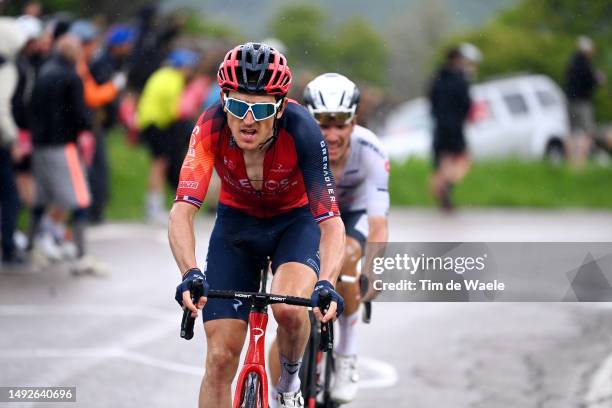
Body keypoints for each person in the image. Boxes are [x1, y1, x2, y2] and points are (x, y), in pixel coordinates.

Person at [168, 42, 346, 408]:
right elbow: (182, 211)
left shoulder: (304, 132)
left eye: (261, 108)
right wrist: (189, 272)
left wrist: (327, 281)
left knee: (290, 311)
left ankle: (289, 384)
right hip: (236, 226)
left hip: (294, 223)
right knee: (219, 358)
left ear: (280, 107)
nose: (248, 120)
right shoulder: (209, 127)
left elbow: (331, 224)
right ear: (222, 100)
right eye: (237, 105)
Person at [267, 73, 390, 404]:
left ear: (354, 120)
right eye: (323, 123)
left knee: (349, 259)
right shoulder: (293, 145)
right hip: (309, 217)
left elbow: (378, 224)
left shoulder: (370, 150)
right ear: (309, 119)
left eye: (341, 124)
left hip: (353, 217)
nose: (332, 134)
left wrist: (374, 268)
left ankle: (347, 355)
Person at [27, 34, 96, 274]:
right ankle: (81, 254)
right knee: (80, 199)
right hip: (63, 145)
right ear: (75, 53)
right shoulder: (71, 77)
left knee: (42, 197)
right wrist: (87, 126)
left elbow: (31, 107)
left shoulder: (44, 72)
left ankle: (29, 245)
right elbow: (79, 114)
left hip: (39, 144)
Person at [137, 48, 200, 222]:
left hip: (148, 121)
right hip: (158, 124)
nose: (190, 72)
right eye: (189, 67)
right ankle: (153, 207)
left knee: (159, 163)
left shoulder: (160, 74)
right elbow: (174, 110)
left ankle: (153, 205)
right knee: (160, 163)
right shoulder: (174, 79)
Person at [87, 25, 135, 223]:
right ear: (117, 45)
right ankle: (92, 212)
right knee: (96, 168)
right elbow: (97, 97)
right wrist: (114, 87)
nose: (130, 46)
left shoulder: (117, 62)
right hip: (92, 124)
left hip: (103, 125)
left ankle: (95, 211)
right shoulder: (102, 63)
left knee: (99, 167)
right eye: (127, 43)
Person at [428, 43, 481, 211]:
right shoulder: (460, 80)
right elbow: (466, 104)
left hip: (439, 127)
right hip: (455, 127)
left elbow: (431, 100)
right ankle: (442, 183)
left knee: (443, 161)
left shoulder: (437, 77)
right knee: (464, 159)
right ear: (457, 59)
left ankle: (443, 188)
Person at [0, 17, 28, 266]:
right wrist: (12, 138)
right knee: (10, 196)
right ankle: (7, 248)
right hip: (1, 143)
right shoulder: (5, 68)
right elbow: (1, 109)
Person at [565, 35, 606, 165]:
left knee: (572, 132)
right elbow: (591, 81)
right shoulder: (585, 65)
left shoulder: (571, 63)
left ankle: (571, 162)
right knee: (588, 132)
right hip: (583, 103)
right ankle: (581, 163)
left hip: (570, 102)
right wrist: (599, 79)